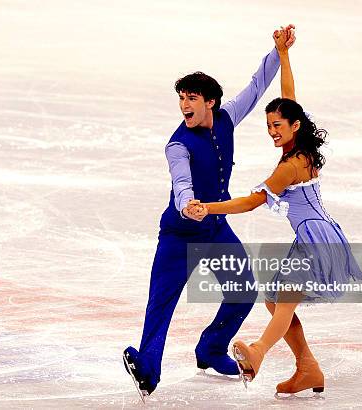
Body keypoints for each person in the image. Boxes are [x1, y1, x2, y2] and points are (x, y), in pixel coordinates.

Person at [188, 28, 362, 397]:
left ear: (294, 126)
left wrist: (209, 208)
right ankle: (308, 368)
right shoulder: (302, 142)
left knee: (282, 300)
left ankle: (258, 352)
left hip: (316, 239)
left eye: (277, 125)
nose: (272, 131)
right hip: (319, 235)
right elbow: (289, 97)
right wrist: (283, 54)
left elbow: (252, 201)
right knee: (275, 299)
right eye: (269, 125)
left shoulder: (290, 166)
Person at [123, 26, 296, 401]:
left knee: (244, 290)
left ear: (211, 102)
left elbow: (257, 85)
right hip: (179, 234)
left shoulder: (228, 117)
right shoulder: (177, 144)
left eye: (192, 98)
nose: (185, 104)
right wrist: (187, 203)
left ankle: (211, 349)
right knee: (161, 303)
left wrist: (277, 50)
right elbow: (181, 179)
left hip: (216, 230)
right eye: (182, 98)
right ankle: (148, 368)